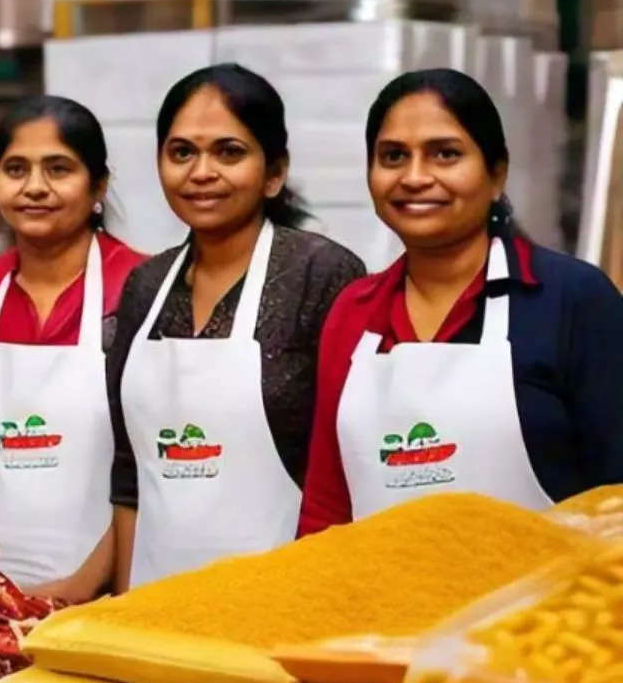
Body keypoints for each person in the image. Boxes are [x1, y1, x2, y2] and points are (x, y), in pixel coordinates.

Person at [299, 69, 623, 531]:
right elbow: (327, 508)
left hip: (547, 602)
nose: (414, 177)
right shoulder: (354, 311)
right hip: (381, 601)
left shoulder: (574, 300)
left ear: (497, 174)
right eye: (393, 156)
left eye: (445, 155)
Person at [109, 64, 365, 589]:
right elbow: (129, 474)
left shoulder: (323, 274)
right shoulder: (145, 286)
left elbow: (348, 464)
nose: (202, 172)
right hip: (155, 599)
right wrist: (119, 607)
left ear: (274, 172)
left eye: (229, 152)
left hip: (287, 597)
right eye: (182, 153)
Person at [0, 96, 145, 599]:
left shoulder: (143, 287)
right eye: (16, 169)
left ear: (98, 185)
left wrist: (76, 589)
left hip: (108, 596)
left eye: (58, 169)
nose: (34, 187)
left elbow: (151, 476)